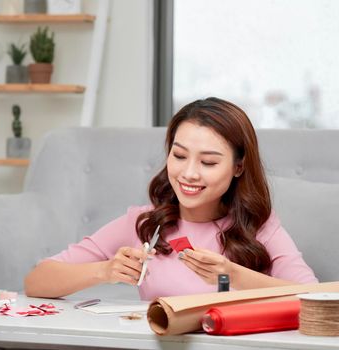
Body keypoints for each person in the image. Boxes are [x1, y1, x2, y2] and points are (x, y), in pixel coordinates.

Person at [24, 97, 317, 301]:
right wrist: (104, 270)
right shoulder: (144, 223)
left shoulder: (259, 226)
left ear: (238, 167)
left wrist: (233, 275)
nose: (188, 173)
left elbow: (317, 297)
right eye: (178, 156)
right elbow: (36, 281)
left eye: (209, 163)